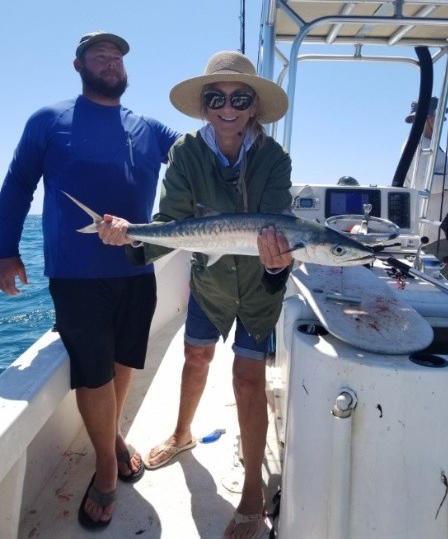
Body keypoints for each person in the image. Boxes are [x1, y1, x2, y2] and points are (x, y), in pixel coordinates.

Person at [96, 50, 294, 539]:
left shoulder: (274, 159)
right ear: (205, 105)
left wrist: (275, 267)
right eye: (216, 97)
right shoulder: (185, 153)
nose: (227, 107)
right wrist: (132, 235)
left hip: (258, 290)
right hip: (209, 282)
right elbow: (171, 222)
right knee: (195, 357)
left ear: (253, 107)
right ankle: (183, 433)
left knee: (248, 381)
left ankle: (251, 491)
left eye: (239, 97)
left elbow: (275, 230)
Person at [0, 31, 180, 530]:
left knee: (123, 361)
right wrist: (6, 250)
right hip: (77, 275)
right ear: (77, 65)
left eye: (118, 56)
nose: (111, 62)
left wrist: (238, 121)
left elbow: (198, 157)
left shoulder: (147, 127)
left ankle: (113, 437)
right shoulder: (48, 120)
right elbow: (16, 185)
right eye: (100, 55)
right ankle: (105, 463)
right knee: (93, 371)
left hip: (137, 267)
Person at [404, 96, 448, 255]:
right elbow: (422, 184)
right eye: (440, 117)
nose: (442, 121)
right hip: (432, 237)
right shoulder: (417, 146)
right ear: (429, 117)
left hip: (441, 232)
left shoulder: (432, 146)